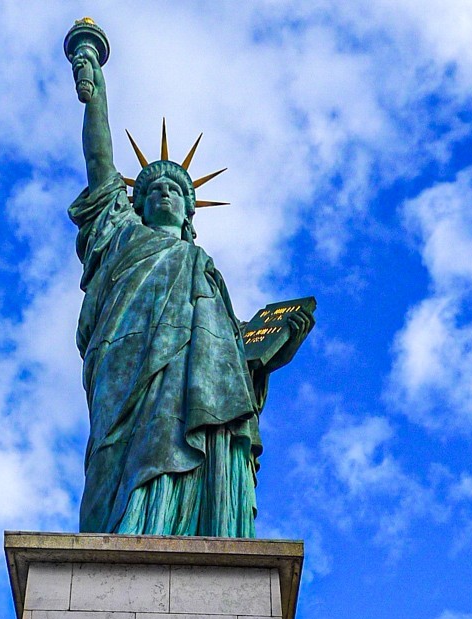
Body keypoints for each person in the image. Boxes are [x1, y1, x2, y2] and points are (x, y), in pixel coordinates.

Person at [68, 44, 313, 537]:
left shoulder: (203, 268)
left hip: (194, 386)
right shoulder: (121, 234)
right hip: (127, 362)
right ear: (134, 203)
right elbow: (100, 160)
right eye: (152, 189)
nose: (163, 193)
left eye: (176, 191)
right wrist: (95, 89)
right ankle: (127, 529)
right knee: (116, 460)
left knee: (194, 437)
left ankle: (187, 524)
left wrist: (272, 345)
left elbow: (231, 356)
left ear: (188, 213)